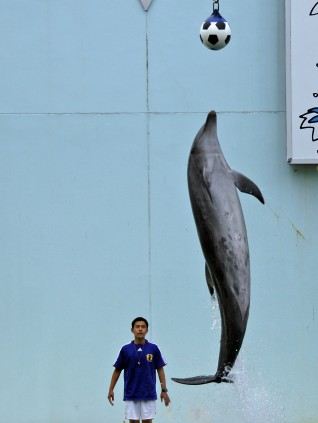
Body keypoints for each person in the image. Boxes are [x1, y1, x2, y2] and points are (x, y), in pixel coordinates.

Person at [107, 316, 171, 423]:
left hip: (148, 393)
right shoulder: (125, 349)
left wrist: (164, 390)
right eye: (137, 327)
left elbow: (160, 369)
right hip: (131, 393)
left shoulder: (153, 348)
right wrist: (111, 390)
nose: (140, 329)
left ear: (147, 330)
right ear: (132, 330)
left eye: (143, 327)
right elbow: (117, 370)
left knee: (147, 421)